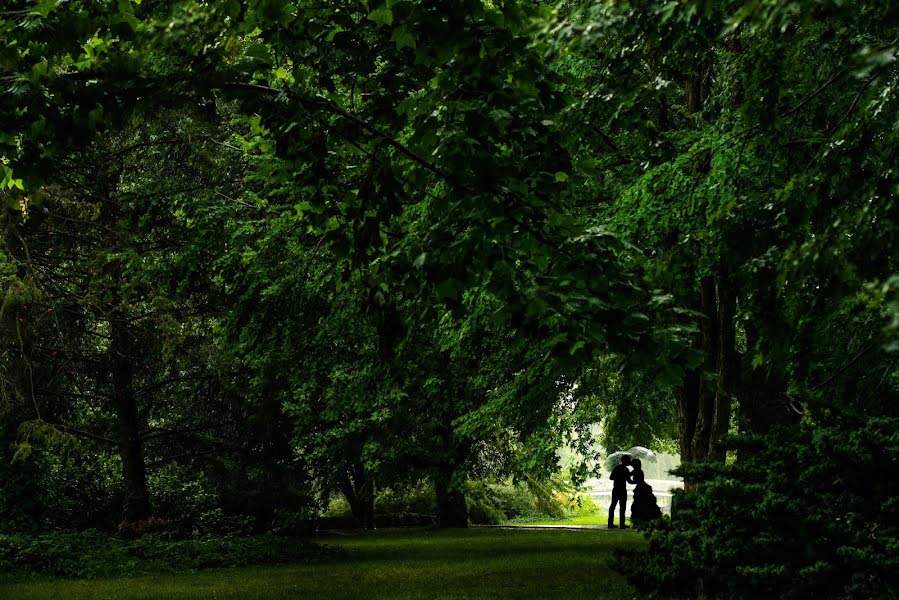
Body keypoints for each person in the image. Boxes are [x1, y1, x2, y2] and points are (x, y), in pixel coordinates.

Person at [629, 458, 662, 529]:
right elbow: (630, 476)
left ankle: (639, 521)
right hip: (640, 488)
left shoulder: (639, 471)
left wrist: (630, 480)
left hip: (641, 489)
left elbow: (638, 481)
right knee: (638, 505)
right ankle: (640, 521)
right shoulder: (636, 471)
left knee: (639, 505)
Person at [607, 455, 632, 529]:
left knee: (613, 506)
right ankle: (622, 524)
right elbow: (629, 480)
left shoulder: (617, 468)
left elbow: (611, 477)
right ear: (626, 461)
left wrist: (617, 477)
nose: (630, 462)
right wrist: (636, 482)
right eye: (629, 461)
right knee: (622, 507)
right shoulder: (626, 470)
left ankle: (610, 523)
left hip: (616, 489)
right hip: (622, 490)